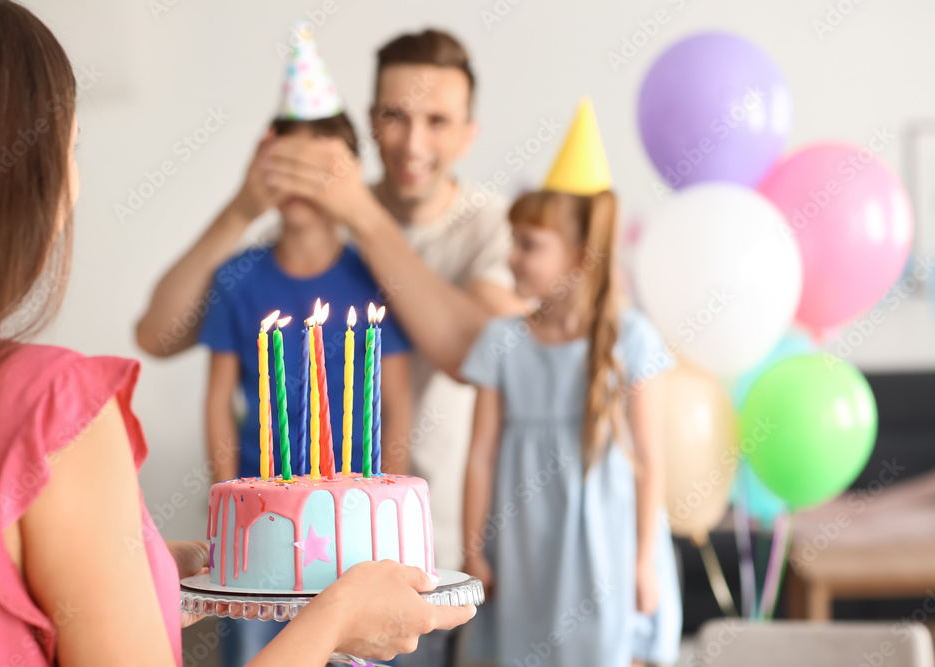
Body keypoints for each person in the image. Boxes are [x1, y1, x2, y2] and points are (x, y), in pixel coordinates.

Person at [0, 3, 474, 665]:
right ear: (31, 178)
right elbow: (158, 332)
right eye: (71, 148)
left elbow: (470, 350)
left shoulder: (443, 245)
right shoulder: (52, 405)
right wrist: (330, 616)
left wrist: (144, 574)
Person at [135, 29, 525, 665]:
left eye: (438, 119)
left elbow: (472, 351)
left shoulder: (484, 227)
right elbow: (157, 333)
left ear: (467, 133)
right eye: (396, 116)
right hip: (284, 538)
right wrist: (243, 205)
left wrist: (362, 217)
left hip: (424, 541)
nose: (414, 141)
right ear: (371, 123)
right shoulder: (314, 214)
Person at [198, 28, 413, 666]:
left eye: (316, 162)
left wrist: (377, 506)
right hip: (266, 526)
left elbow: (395, 401)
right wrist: (232, 516)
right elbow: (217, 403)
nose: (299, 179)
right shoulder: (238, 277)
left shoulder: (371, 276)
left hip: (353, 526)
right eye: (283, 162)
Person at [459, 102, 682, 666]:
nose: (511, 257)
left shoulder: (629, 339)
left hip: (606, 544)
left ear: (580, 257)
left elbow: (650, 460)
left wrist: (643, 561)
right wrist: (473, 549)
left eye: (529, 245)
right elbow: (481, 456)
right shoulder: (502, 342)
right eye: (513, 240)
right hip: (526, 539)